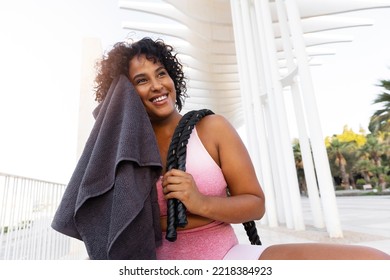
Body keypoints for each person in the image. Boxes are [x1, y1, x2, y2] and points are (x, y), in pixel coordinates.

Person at [93, 37, 390, 260]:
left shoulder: (211, 128)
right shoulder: (119, 149)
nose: (157, 85)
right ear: (124, 95)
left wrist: (200, 202)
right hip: (149, 265)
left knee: (373, 261)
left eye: (161, 74)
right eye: (141, 80)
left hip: (227, 258)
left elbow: (254, 204)